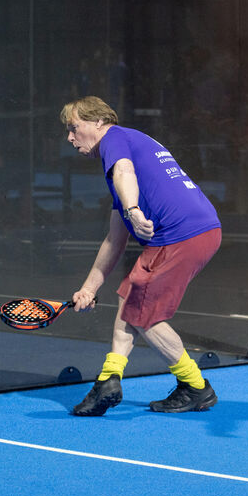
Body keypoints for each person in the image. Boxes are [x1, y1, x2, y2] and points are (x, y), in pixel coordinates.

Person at [60, 96, 222, 416]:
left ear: (99, 122)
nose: (70, 137)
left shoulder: (114, 139)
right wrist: (89, 289)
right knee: (131, 300)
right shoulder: (129, 150)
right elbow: (114, 240)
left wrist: (133, 209)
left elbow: (124, 170)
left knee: (144, 316)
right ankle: (109, 380)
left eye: (74, 128)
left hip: (179, 234)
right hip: (200, 229)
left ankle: (195, 386)